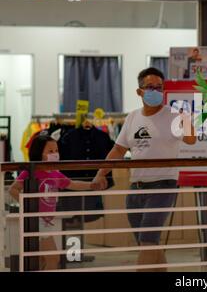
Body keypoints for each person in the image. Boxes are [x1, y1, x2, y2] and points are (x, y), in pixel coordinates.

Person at [93, 67, 196, 272]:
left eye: (159, 87)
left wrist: (186, 118)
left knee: (147, 239)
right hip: (136, 187)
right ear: (139, 91)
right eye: (150, 87)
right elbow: (118, 149)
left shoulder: (173, 115)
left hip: (163, 185)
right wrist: (100, 174)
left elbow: (191, 139)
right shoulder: (132, 118)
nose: (155, 91)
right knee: (149, 243)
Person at [9, 134, 106, 270]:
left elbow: (71, 184)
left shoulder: (54, 173)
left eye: (56, 151)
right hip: (36, 220)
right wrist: (30, 206)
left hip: (47, 221)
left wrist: (91, 185)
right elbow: (13, 189)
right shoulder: (31, 171)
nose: (55, 154)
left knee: (42, 260)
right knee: (53, 258)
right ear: (39, 153)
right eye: (50, 151)